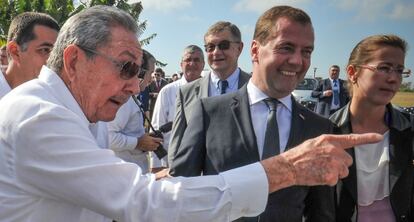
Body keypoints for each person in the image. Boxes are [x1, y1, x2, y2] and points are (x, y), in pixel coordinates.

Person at [0, 5, 382, 222]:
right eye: (126, 68)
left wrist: (151, 177)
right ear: (74, 59)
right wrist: (286, 169)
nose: (135, 87)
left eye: (138, 73)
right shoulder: (39, 115)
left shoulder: (72, 112)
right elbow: (143, 202)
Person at [169, 6, 338, 222]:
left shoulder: (318, 127)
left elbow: (321, 213)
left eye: (306, 51)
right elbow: (182, 192)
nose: (297, 61)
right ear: (255, 50)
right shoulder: (209, 113)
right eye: (286, 48)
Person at [330, 34, 414, 221]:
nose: (393, 78)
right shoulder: (327, 132)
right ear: (352, 73)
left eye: (399, 70)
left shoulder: (409, 129)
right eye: (383, 68)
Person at [168, 21, 251, 164]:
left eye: (223, 45)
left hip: (245, 179)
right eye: (210, 47)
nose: (216, 52)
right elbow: (177, 143)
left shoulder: (255, 87)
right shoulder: (186, 93)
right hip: (200, 181)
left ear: (239, 48)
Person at [150, 45, 205, 172]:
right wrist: (157, 164)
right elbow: (156, 129)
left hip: (204, 163)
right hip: (173, 162)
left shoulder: (211, 90)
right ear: (181, 64)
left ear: (203, 64)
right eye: (188, 60)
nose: (192, 63)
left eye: (197, 60)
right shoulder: (167, 91)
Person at [108, 50, 162, 173]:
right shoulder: (124, 100)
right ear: (140, 73)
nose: (152, 79)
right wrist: (138, 142)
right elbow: (109, 136)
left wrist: (145, 139)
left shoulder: (132, 98)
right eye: (151, 73)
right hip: (125, 174)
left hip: (133, 171)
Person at [0, 11, 59, 99]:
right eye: (45, 50)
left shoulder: (49, 98)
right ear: (15, 51)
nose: (54, 60)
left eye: (56, 52)